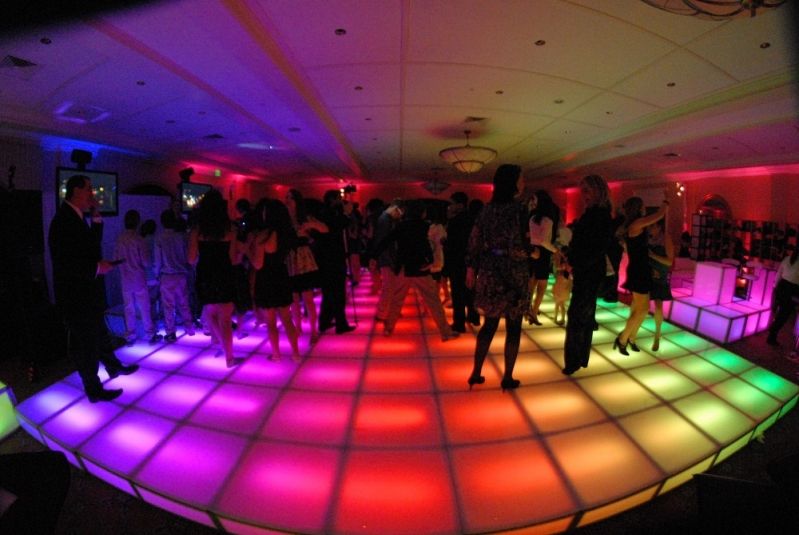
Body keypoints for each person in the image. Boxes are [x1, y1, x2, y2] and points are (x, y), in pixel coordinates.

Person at [48, 174, 138, 402]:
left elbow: (89, 246)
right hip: (76, 296)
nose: (92, 193)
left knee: (99, 333)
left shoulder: (76, 216)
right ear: (76, 191)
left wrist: (96, 216)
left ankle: (113, 366)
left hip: (87, 292)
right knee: (86, 344)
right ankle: (94, 389)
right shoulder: (62, 220)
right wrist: (97, 267)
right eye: (89, 189)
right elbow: (65, 262)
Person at [466, 164, 530, 391]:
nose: (524, 182)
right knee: (513, 327)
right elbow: (521, 245)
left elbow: (474, 242)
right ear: (513, 182)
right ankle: (508, 377)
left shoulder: (487, 210)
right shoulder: (519, 210)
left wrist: (472, 268)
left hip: (490, 272)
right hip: (514, 274)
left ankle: (476, 373)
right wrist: (532, 253)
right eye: (521, 178)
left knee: (489, 325)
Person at [376, 200, 459, 341]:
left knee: (397, 299)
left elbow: (386, 241)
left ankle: (388, 328)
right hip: (421, 268)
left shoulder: (401, 226)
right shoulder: (425, 226)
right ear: (422, 213)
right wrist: (430, 261)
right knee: (433, 301)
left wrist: (373, 256)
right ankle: (446, 332)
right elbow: (427, 246)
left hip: (404, 268)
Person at [561, 174, 613, 375]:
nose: (583, 195)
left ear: (598, 191)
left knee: (577, 315)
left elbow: (596, 248)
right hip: (589, 270)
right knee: (585, 314)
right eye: (582, 191)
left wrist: (574, 263)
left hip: (588, 271)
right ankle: (581, 358)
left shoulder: (599, 215)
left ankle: (574, 361)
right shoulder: (596, 213)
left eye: (587, 190)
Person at [187, 188, 239, 367]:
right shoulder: (230, 229)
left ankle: (222, 345)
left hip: (206, 273)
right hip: (225, 272)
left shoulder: (197, 231)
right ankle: (229, 357)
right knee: (226, 318)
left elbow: (191, 258)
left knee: (210, 313)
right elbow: (232, 259)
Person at [614, 196, 669, 355]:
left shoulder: (636, 225)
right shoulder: (637, 224)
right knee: (642, 310)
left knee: (639, 309)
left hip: (640, 270)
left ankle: (630, 338)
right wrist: (666, 200)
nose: (645, 208)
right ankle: (622, 339)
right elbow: (660, 214)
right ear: (638, 208)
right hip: (638, 271)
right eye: (643, 206)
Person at [251, 198, 301, 361]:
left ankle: (276, 354)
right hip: (281, 275)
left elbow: (258, 264)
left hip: (266, 278)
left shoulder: (263, 235)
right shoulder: (287, 233)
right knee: (287, 319)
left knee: (271, 321)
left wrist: (248, 252)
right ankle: (296, 353)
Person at [285, 188, 326, 342]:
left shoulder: (304, 218)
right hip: (290, 259)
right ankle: (298, 328)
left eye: (290, 197)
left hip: (303, 259)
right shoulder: (283, 219)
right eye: (286, 197)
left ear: (297, 201)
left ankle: (314, 330)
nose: (287, 200)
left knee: (308, 298)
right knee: (294, 299)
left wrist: (309, 225)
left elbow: (324, 229)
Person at [114, 210, 159, 345]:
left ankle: (130, 335)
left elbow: (115, 259)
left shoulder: (119, 239)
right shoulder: (139, 239)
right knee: (144, 307)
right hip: (138, 278)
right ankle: (150, 334)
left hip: (125, 279)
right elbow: (146, 262)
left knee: (129, 308)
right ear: (137, 222)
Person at [316, 190, 356, 334]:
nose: (341, 200)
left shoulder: (326, 213)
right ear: (332, 199)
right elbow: (337, 227)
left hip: (327, 258)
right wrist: (347, 214)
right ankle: (341, 324)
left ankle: (325, 322)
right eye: (339, 198)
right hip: (333, 258)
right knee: (338, 292)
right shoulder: (330, 214)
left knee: (329, 293)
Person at [154, 209, 195, 342]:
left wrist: (156, 274)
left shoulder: (159, 238)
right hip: (182, 274)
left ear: (162, 222)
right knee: (184, 302)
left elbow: (158, 260)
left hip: (167, 275)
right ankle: (189, 327)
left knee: (168, 306)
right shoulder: (181, 237)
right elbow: (187, 255)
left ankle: (171, 332)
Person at [444, 191, 479, 332]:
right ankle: (473, 316)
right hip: (471, 260)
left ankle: (459, 323)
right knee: (470, 289)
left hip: (457, 260)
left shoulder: (454, 221)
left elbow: (453, 244)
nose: (450, 206)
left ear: (460, 205)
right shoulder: (473, 219)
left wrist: (445, 243)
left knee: (457, 292)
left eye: (452, 204)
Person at [527, 190, 559, 325]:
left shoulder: (532, 217)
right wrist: (556, 250)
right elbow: (544, 241)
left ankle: (528, 309)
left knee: (532, 282)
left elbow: (532, 237)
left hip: (532, 251)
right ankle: (534, 313)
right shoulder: (547, 219)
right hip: (543, 253)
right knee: (542, 285)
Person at [370, 199, 403, 323]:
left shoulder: (385, 218)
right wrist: (391, 261)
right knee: (388, 287)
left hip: (387, 258)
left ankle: (386, 312)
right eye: (400, 212)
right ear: (396, 208)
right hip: (387, 259)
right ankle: (382, 314)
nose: (400, 215)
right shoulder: (385, 219)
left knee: (390, 286)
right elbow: (384, 243)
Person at [648, 219, 674, 351]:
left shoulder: (666, 239)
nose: (649, 228)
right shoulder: (648, 238)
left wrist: (652, 255)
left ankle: (657, 336)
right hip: (647, 275)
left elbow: (669, 262)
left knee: (658, 307)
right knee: (638, 306)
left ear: (659, 227)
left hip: (659, 277)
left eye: (652, 225)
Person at [767, 249, 799, 347]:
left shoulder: (787, 258)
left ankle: (772, 330)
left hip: (782, 286)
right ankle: (772, 334)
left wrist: (775, 287)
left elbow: (779, 274)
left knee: (780, 312)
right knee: (784, 315)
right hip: (792, 289)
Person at [552, 221, 573, 326]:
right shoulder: (566, 266)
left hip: (561, 285)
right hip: (561, 284)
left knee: (560, 304)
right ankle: (558, 317)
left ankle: (561, 318)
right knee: (559, 304)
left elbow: (558, 268)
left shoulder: (565, 266)